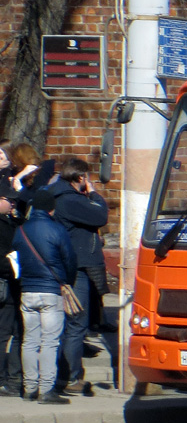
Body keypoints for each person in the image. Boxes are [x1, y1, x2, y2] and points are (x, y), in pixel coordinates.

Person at [48, 158, 111, 396]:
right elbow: (100, 216)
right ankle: (70, 377)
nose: (90, 182)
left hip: (69, 266)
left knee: (71, 324)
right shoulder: (70, 200)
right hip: (76, 269)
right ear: (80, 178)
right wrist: (93, 195)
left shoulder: (59, 196)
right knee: (76, 324)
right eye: (87, 178)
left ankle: (66, 375)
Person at [13, 189, 77, 404]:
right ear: (51, 209)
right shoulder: (58, 230)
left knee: (29, 341)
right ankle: (46, 389)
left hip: (27, 291)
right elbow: (69, 260)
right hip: (50, 292)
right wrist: (67, 282)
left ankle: (29, 388)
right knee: (49, 341)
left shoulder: (20, 230)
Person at [0, 181, 23, 397]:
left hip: (12, 285)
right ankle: (3, 378)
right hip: (5, 284)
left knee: (15, 331)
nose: (13, 203)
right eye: (9, 200)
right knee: (4, 333)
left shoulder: (12, 222)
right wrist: (14, 264)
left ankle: (13, 377)